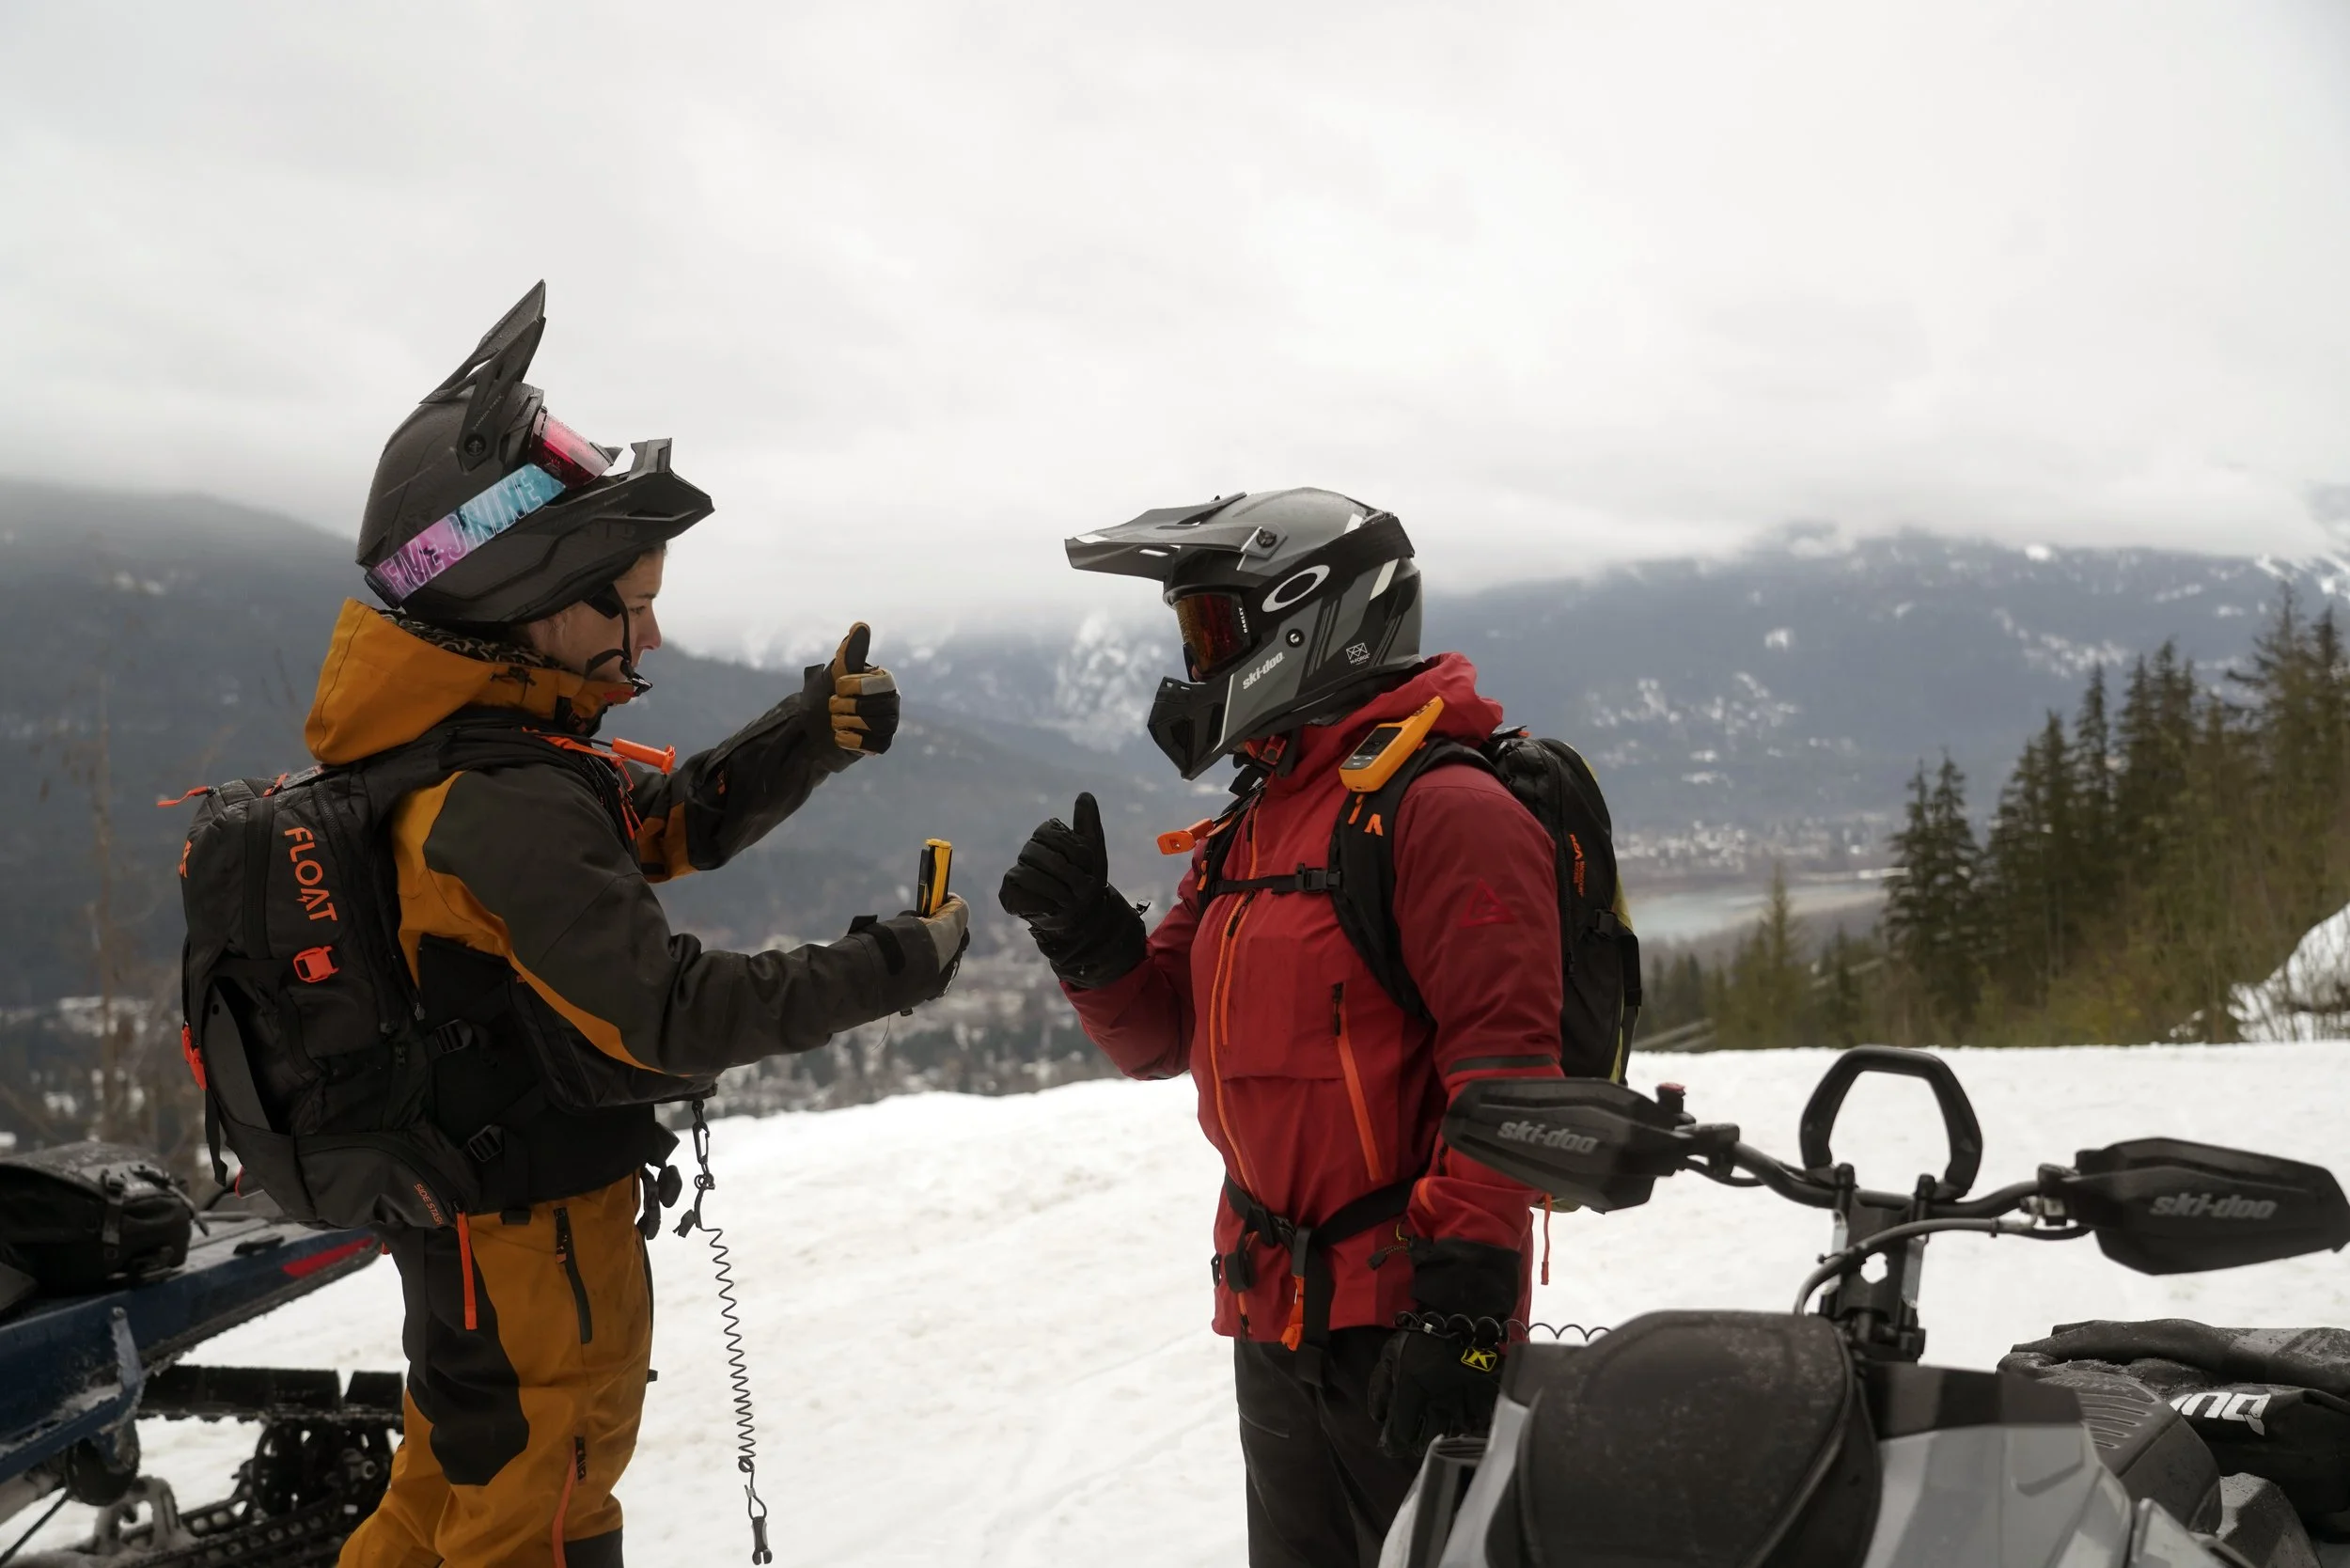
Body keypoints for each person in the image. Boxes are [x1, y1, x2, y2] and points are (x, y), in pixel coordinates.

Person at [328, 284, 968, 1568]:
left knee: (442, 1499)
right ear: (529, 596)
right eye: (626, 595)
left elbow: (655, 825)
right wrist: (892, 963)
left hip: (466, 1218)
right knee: (537, 1518)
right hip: (531, 1230)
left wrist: (805, 737)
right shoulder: (494, 797)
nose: (653, 627)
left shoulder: (465, 753)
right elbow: (669, 1017)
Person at [999, 490, 1569, 1568]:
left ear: (1315, 622)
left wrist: (1462, 1312)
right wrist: (1087, 940)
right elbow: (1160, 1036)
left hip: (1407, 1320)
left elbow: (1506, 1078)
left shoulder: (1445, 810)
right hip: (1272, 1312)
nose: (1198, 661)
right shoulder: (1253, 819)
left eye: (1215, 629)